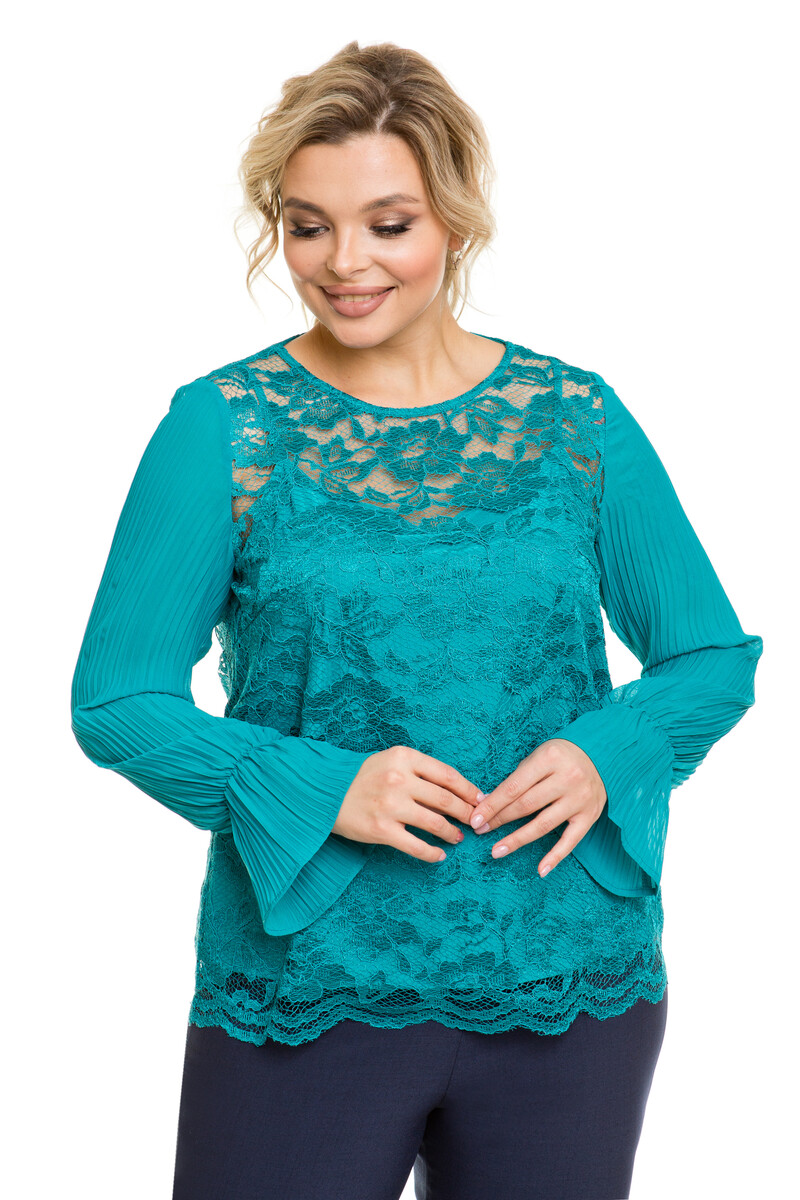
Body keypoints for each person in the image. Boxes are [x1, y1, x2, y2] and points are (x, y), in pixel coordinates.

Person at [69, 39, 763, 1200]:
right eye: (307, 227)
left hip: (566, 984)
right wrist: (318, 788)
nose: (343, 264)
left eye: (386, 224)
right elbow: (116, 699)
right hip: (307, 987)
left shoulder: (574, 418)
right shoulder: (222, 426)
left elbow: (707, 657)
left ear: (454, 216)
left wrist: (610, 750)